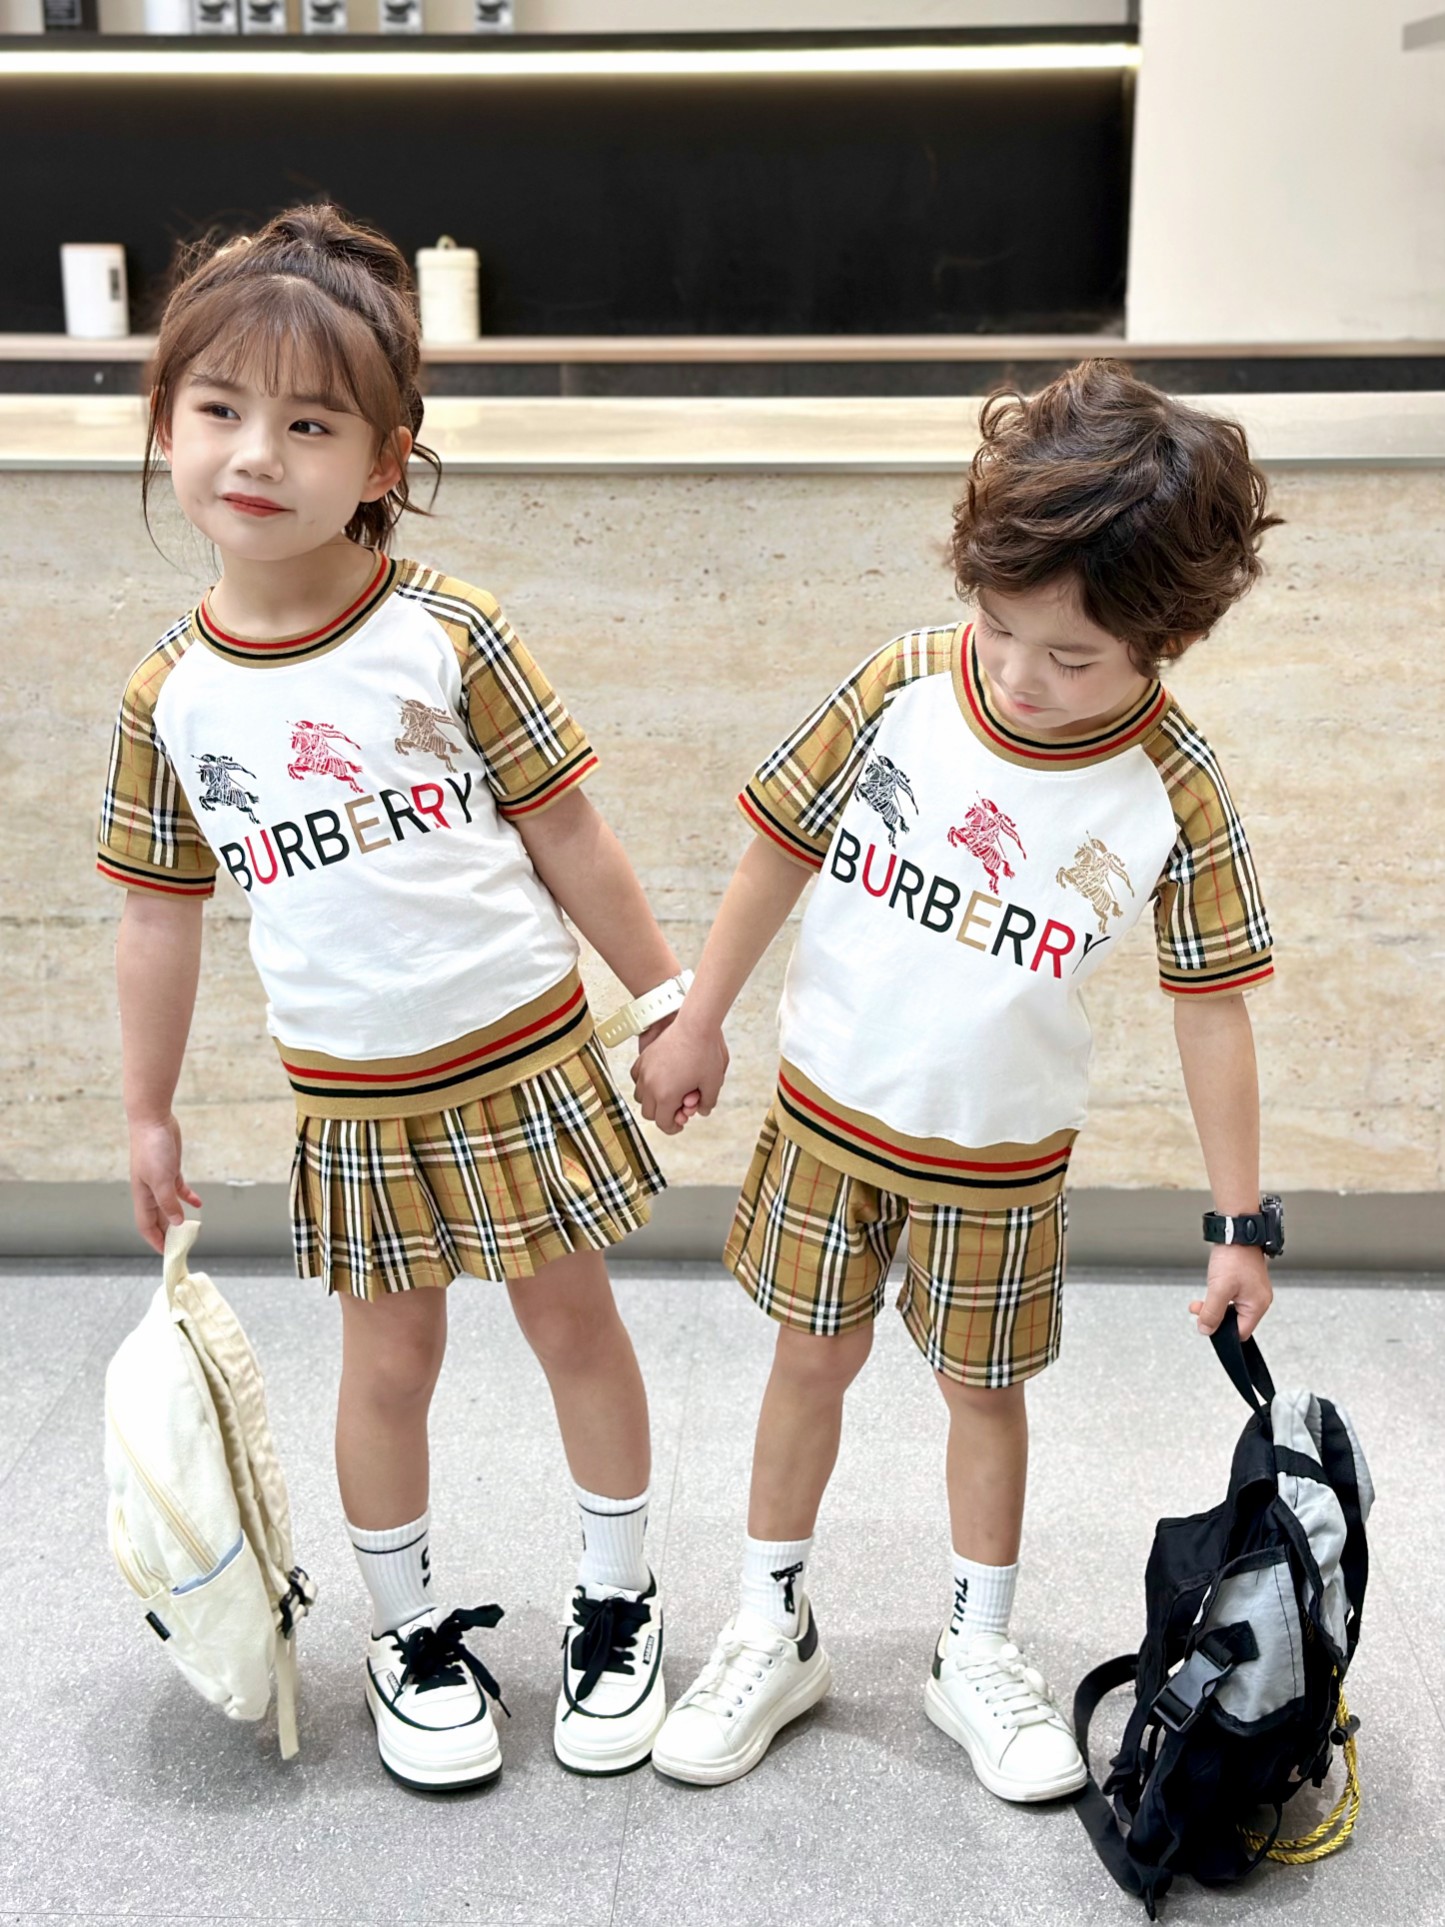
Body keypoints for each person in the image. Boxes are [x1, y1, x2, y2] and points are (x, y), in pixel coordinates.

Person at [97, 204, 693, 1792]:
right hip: (352, 1096)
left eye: (309, 424)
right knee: (385, 1366)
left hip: (524, 1061)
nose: (255, 453)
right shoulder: (169, 698)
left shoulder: (445, 629)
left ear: (383, 460)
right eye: (219, 408)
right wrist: (145, 1111)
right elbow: (156, 916)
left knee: (574, 1325)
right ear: (164, 423)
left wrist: (666, 997)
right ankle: (407, 1631)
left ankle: (618, 1599)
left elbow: (568, 829)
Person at [633, 360, 1281, 1797]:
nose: (1020, 676)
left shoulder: (1172, 789)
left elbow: (1212, 1008)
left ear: (1168, 637)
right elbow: (777, 849)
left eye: (1074, 659)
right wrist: (697, 1017)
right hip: (825, 1126)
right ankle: (770, 1624)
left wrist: (1240, 1224)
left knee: (984, 1399)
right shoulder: (904, 685)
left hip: (999, 1163)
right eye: (999, 627)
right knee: (806, 1362)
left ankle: (977, 1650)